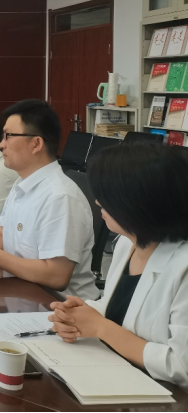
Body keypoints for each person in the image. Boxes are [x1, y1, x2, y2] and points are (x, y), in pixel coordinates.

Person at [49, 144, 188, 390]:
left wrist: (100, 327)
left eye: (106, 195)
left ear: (136, 202)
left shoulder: (183, 266)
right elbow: (120, 310)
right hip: (114, 375)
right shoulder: (127, 243)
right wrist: (78, 315)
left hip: (165, 396)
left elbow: (181, 366)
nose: (97, 201)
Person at [0, 100, 99, 301]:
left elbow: (56, 276)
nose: (1, 144)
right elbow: (2, 233)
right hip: (21, 293)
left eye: (8, 136)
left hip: (58, 306)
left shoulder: (60, 197)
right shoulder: (21, 183)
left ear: (36, 144)